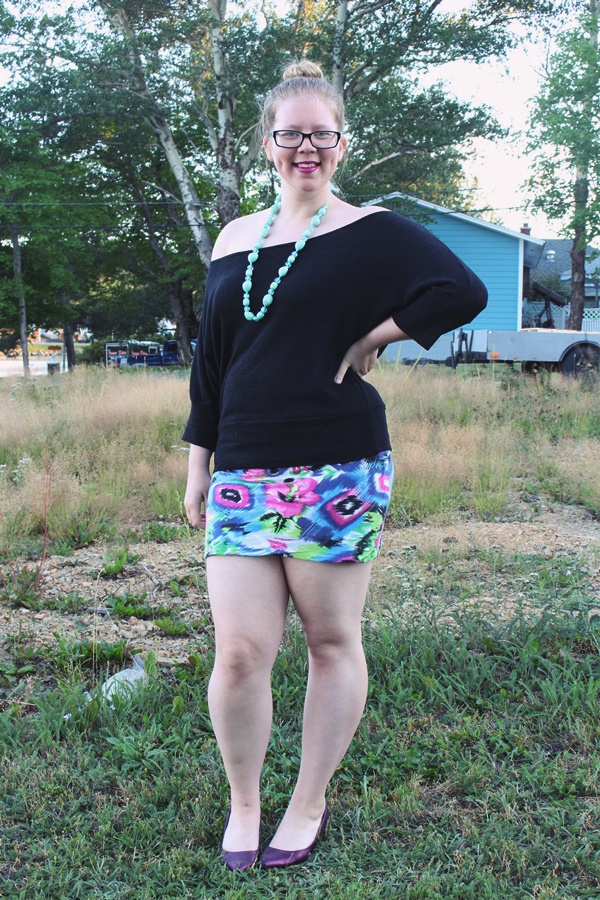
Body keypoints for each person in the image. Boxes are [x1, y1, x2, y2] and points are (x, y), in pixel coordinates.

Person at [183, 59, 487, 871]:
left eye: (322, 134)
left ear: (343, 143)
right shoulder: (235, 238)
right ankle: (245, 804)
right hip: (244, 465)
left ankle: (307, 801)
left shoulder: (373, 230)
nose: (307, 148)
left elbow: (460, 290)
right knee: (240, 652)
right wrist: (198, 464)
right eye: (292, 135)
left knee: (328, 640)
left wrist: (375, 336)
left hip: (339, 465)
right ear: (268, 144)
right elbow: (211, 362)